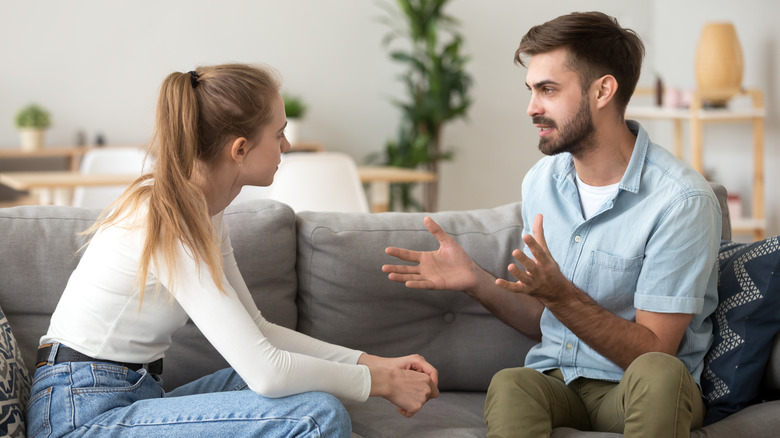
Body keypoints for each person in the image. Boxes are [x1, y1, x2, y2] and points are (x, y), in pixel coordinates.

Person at [27, 63, 438, 438]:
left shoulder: (205, 210)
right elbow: (268, 374)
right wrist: (383, 385)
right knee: (316, 414)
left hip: (133, 394)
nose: (287, 146)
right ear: (239, 149)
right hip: (80, 415)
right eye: (278, 135)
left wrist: (376, 364)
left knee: (302, 387)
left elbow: (259, 331)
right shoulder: (171, 217)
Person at [382, 11, 721, 438]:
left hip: (639, 389)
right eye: (531, 90)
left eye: (548, 90)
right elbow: (543, 316)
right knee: (512, 383)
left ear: (603, 91)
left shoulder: (680, 201)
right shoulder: (542, 181)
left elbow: (654, 350)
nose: (531, 108)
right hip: (561, 385)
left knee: (660, 372)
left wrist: (560, 293)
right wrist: (476, 280)